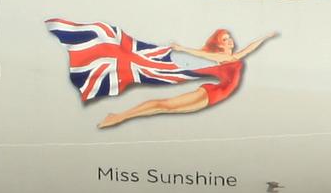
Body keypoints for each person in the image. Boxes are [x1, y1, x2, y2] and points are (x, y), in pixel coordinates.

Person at [98, 29, 277, 128]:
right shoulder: (220, 58)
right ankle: (119, 116)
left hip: (217, 96)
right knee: (164, 105)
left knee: (166, 108)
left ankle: (121, 116)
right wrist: (183, 49)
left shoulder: (235, 56)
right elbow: (201, 54)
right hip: (212, 93)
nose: (230, 41)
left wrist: (266, 37)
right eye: (225, 39)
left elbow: (250, 48)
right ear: (219, 44)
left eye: (229, 38)